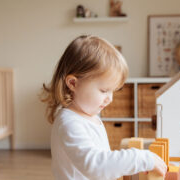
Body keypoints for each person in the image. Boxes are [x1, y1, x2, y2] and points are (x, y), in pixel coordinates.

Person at [40, 35, 167, 180]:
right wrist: (142, 158)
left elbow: (104, 162)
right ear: (73, 84)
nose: (110, 98)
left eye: (113, 91)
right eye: (104, 90)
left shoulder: (89, 116)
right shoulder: (70, 123)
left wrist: (134, 165)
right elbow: (96, 166)